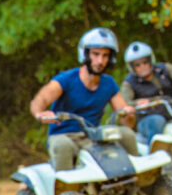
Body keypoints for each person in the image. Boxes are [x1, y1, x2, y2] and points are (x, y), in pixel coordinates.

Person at [30, 27, 138, 171]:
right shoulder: (66, 79)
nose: (100, 61)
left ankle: (137, 179)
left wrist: (128, 114)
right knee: (63, 146)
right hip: (63, 135)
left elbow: (126, 120)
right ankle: (66, 192)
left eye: (105, 55)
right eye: (95, 54)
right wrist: (40, 113)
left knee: (127, 134)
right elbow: (40, 99)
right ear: (85, 54)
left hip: (92, 136)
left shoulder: (109, 83)